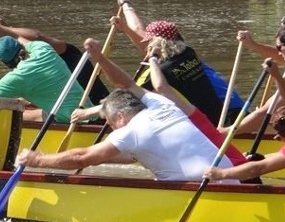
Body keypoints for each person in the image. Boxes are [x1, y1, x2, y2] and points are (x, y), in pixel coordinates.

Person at [16, 38, 239, 181]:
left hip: (206, 189)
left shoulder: (130, 132)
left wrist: (38, 161)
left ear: (121, 117)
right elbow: (127, 86)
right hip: (230, 177)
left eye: (111, 124)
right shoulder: (162, 105)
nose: (111, 128)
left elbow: (81, 157)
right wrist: (100, 57)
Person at [111, 0, 246, 124]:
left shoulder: (161, 71)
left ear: (159, 44)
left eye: (150, 42)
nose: (148, 45)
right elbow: (139, 32)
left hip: (224, 118)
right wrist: (126, 15)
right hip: (235, 111)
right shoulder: (188, 52)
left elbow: (129, 96)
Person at [0, 6, 89, 124]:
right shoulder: (43, 49)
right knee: (27, 107)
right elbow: (17, 36)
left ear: (7, 63)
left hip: (72, 120)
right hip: (89, 112)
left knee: (7, 112)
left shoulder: (17, 77)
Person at [0, 10, 109, 103]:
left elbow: (38, 36)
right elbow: (28, 37)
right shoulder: (39, 57)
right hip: (95, 109)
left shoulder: (62, 53)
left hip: (93, 111)